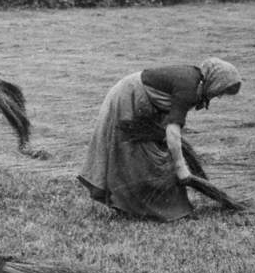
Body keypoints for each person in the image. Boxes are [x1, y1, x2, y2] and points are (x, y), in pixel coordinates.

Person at [77, 59, 242, 221]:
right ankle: (139, 209)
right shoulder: (188, 87)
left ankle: (146, 207)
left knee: (152, 154)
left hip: (139, 98)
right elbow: (173, 131)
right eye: (221, 91)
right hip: (129, 97)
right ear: (215, 81)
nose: (219, 96)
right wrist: (181, 168)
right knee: (140, 156)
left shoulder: (195, 81)